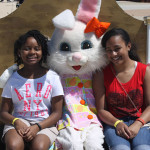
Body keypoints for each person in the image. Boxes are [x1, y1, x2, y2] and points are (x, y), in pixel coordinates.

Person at [0, 30, 64, 150]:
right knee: (14, 145)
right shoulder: (12, 79)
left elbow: (57, 113)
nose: (32, 52)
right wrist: (16, 121)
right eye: (27, 48)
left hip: (45, 124)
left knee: (39, 146)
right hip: (17, 124)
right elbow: (3, 113)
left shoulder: (53, 78)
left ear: (42, 51)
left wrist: (37, 127)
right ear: (19, 52)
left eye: (36, 48)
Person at [93, 28, 150, 150]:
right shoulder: (101, 74)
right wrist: (117, 123)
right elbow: (102, 110)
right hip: (114, 123)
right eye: (109, 50)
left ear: (128, 46)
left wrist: (138, 123)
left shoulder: (144, 71)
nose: (113, 54)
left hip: (141, 123)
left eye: (117, 49)